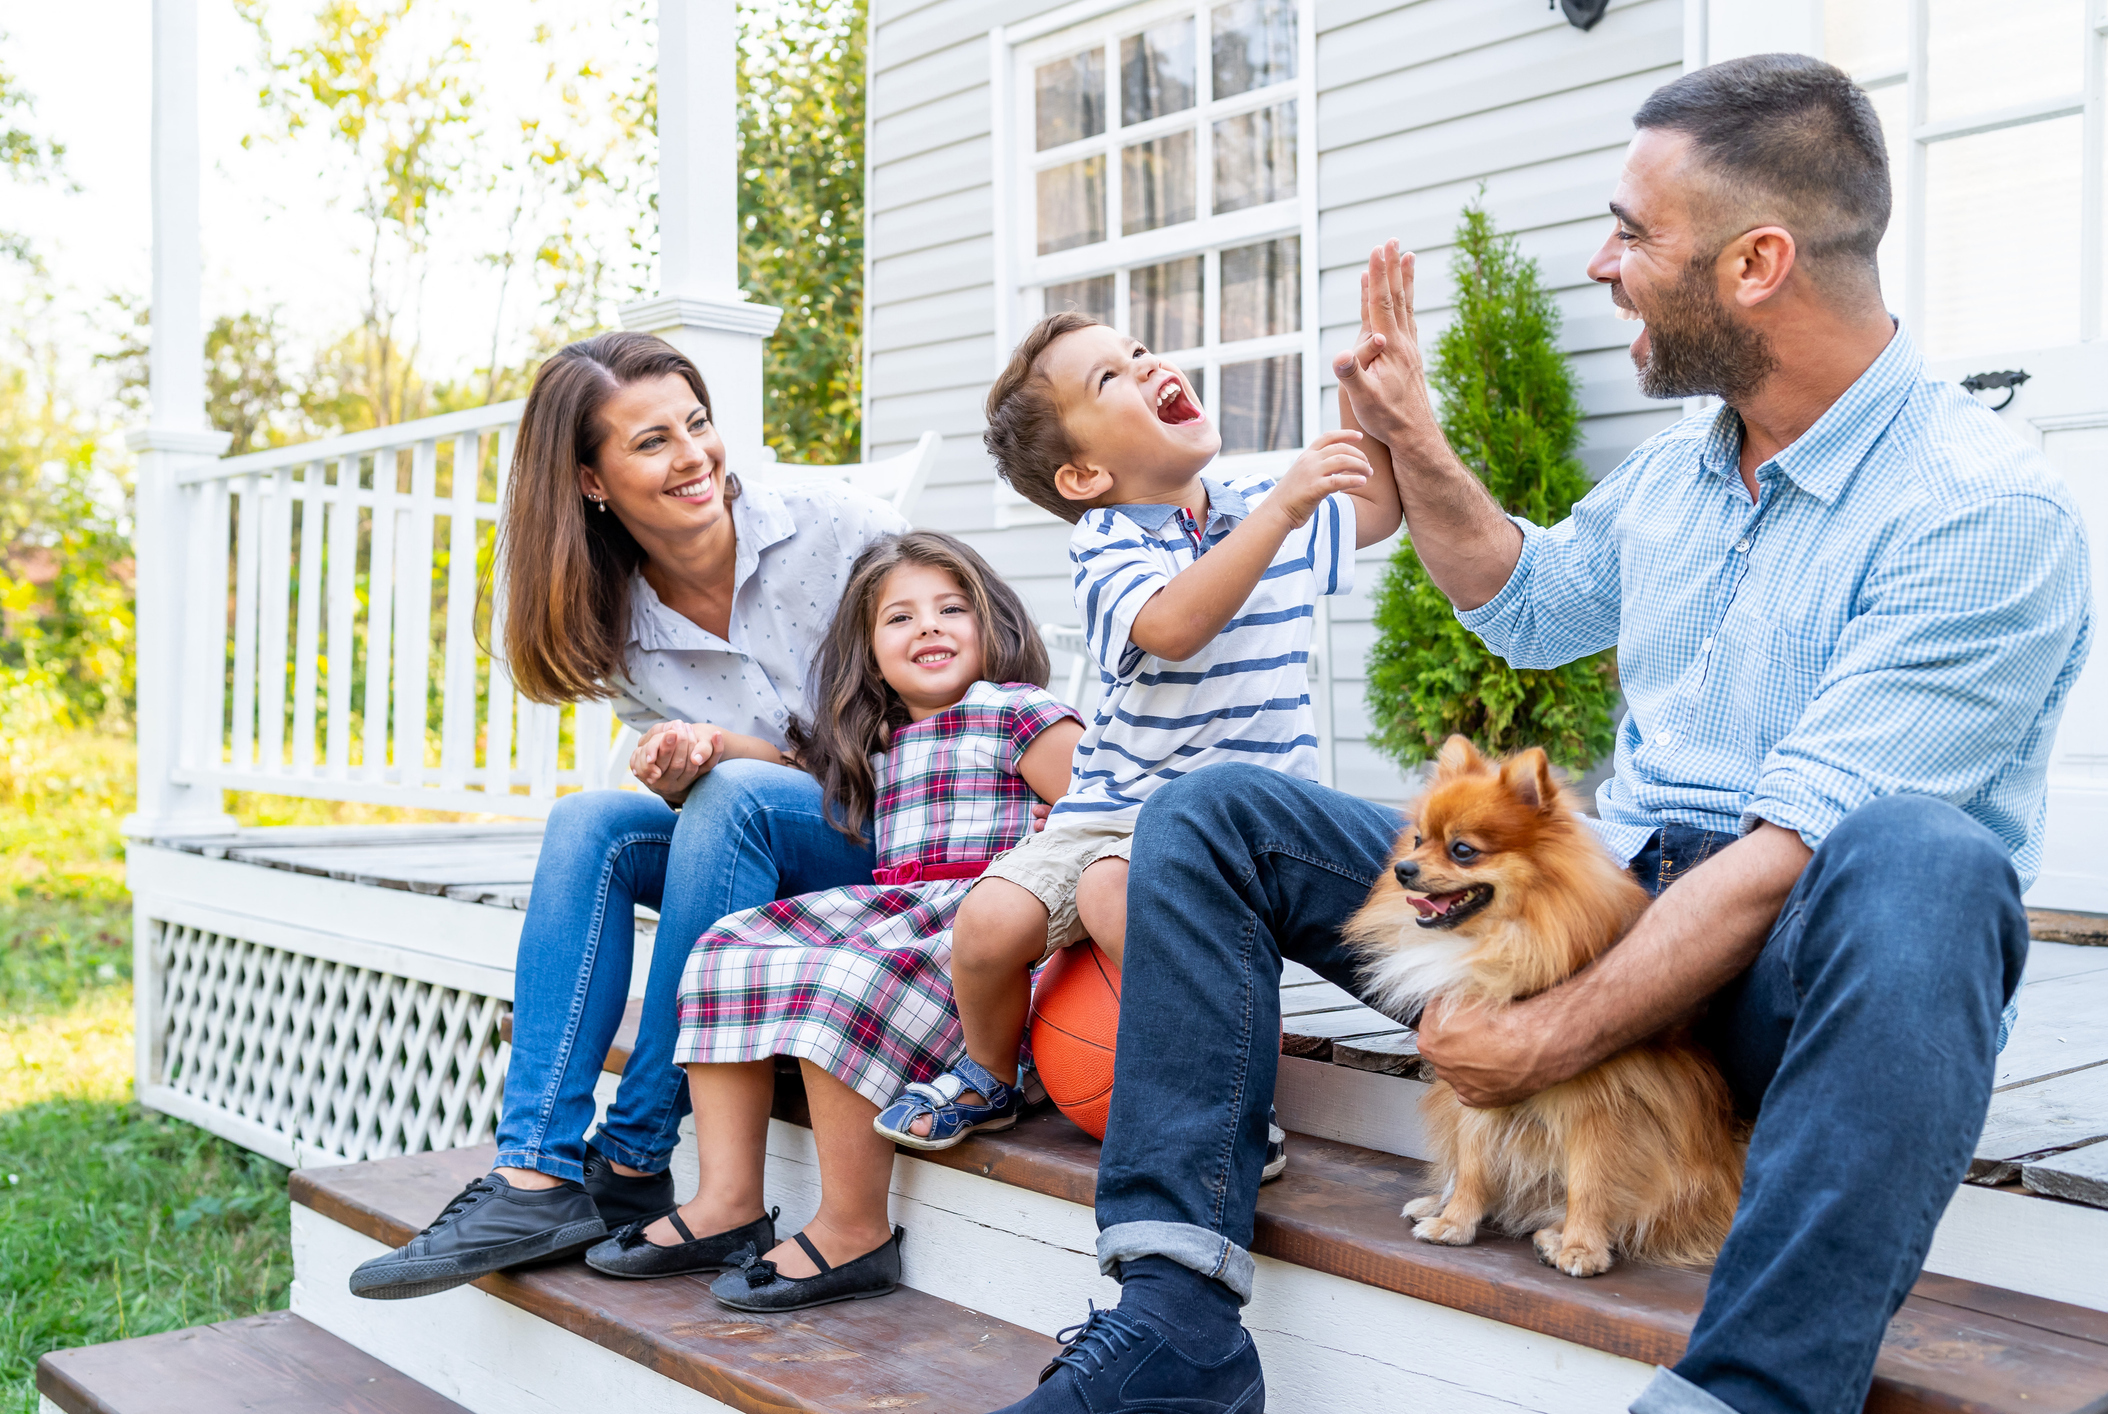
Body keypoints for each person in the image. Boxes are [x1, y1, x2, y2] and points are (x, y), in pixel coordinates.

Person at [982, 55, 2094, 1414]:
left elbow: (1786, 855)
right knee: (1213, 808)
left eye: (1633, 233)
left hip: (1774, 977)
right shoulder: (1696, 461)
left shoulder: (1981, 511)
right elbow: (1521, 598)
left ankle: (1744, 1392)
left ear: (1755, 263)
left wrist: (1542, 1035)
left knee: (1925, 859)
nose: (1599, 264)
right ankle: (1171, 1312)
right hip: (1603, 901)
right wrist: (1411, 429)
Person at [348, 331, 906, 1302]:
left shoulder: (837, 529)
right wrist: (683, 766)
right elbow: (717, 821)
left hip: (898, 829)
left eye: (697, 424)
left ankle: (639, 1147)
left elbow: (957, 703)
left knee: (730, 797)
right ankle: (537, 1171)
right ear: (592, 480)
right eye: (652, 442)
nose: (694, 456)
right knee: (590, 826)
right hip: (762, 847)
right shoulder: (620, 623)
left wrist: (729, 762)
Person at [871, 316, 1404, 1154]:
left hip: (1233, 824)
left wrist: (1368, 405)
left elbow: (1376, 507)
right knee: (984, 926)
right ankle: (988, 1074)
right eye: (1109, 379)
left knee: (1115, 897)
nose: (1146, 363)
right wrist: (1284, 509)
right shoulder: (1109, 540)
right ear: (1085, 475)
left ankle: (1221, 1093)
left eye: (1136, 353)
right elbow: (1171, 624)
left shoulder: (1262, 498)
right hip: (1109, 807)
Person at [580, 532, 1081, 1311]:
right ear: (868, 652)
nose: (928, 628)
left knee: (840, 975)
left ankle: (854, 1229)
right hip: (904, 928)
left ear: (994, 626)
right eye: (900, 618)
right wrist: (707, 745)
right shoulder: (880, 742)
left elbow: (1100, 816)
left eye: (952, 609)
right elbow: (786, 768)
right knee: (724, 949)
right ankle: (727, 1203)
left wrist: (1055, 838)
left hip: (986, 949)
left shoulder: (1016, 714)